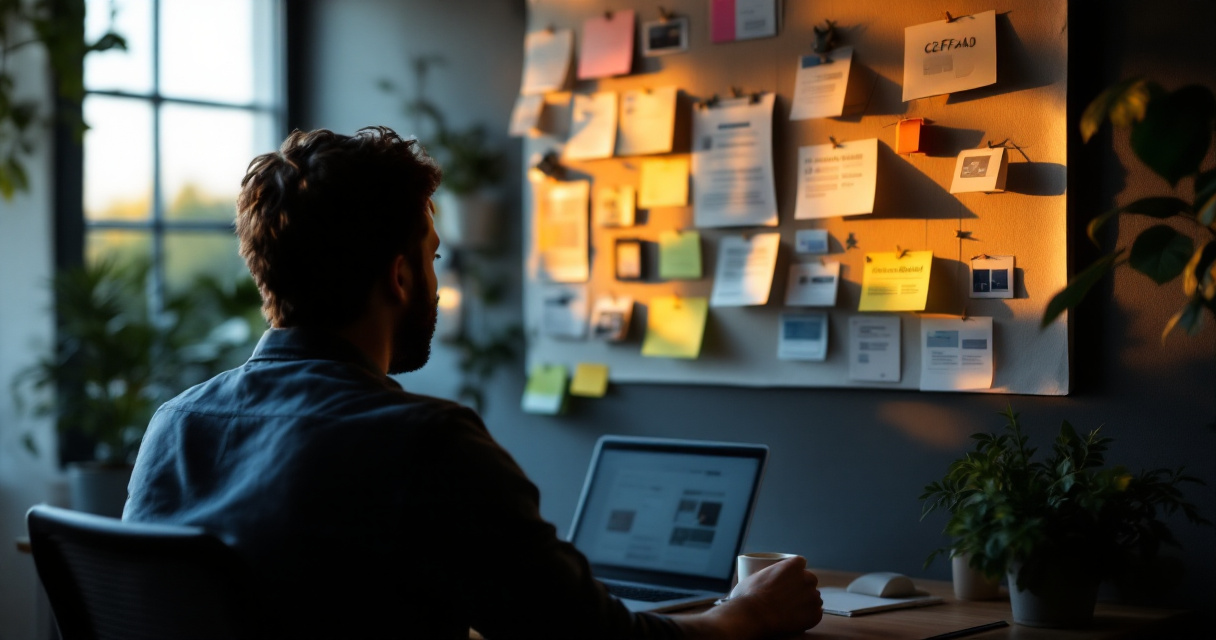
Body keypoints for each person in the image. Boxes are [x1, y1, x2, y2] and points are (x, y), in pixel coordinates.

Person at [123, 126, 823, 639]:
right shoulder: (423, 445)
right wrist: (746, 615)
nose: (436, 280)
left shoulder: (175, 426)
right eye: (432, 258)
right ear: (399, 276)